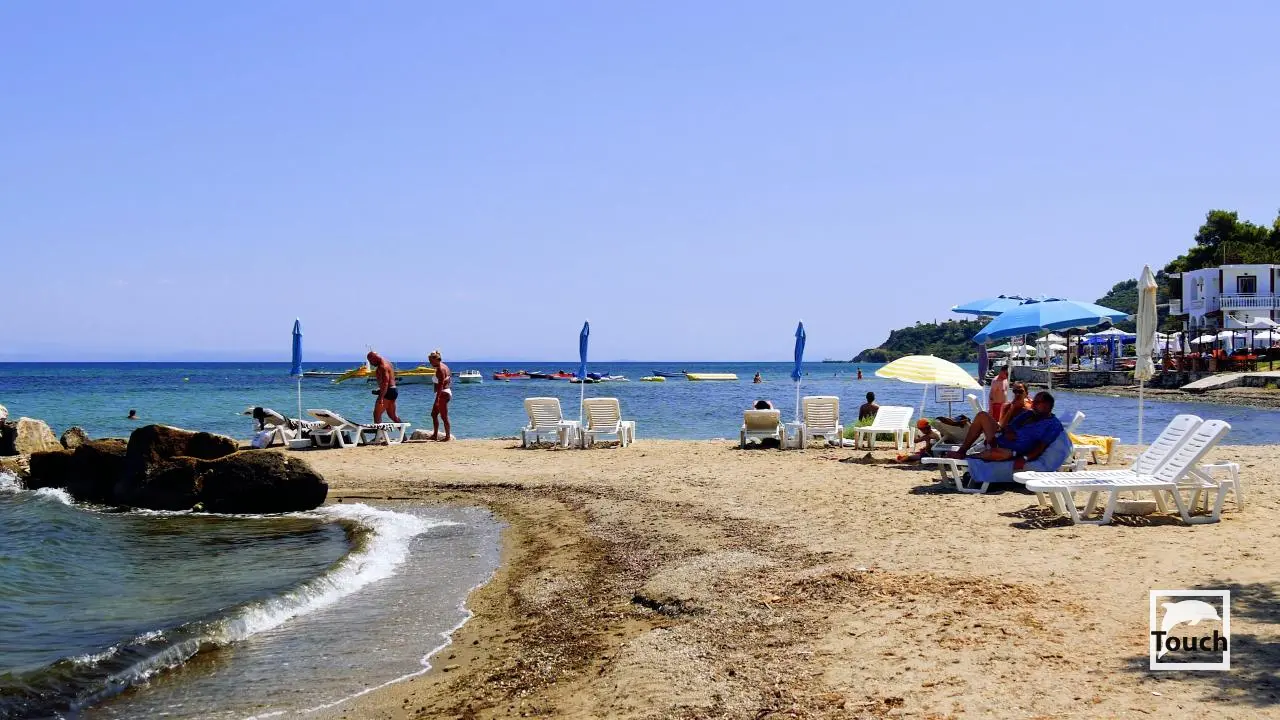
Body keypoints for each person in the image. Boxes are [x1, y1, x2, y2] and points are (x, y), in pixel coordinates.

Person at [947, 391, 1064, 464]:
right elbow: (1010, 426)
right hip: (1001, 439)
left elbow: (1041, 446)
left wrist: (1024, 458)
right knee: (982, 415)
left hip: (1014, 451)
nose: (1033, 404)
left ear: (1047, 405)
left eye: (1037, 402)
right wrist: (1009, 431)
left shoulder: (1053, 424)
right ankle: (962, 451)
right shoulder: (1029, 414)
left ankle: (967, 457)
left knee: (1000, 453)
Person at [367, 351, 401, 425]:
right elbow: (390, 381)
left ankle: (379, 432)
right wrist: (380, 390)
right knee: (393, 416)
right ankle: (403, 432)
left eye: (370, 361)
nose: (371, 364)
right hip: (393, 390)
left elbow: (386, 383)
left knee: (377, 414)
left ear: (374, 358)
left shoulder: (383, 366)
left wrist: (381, 397)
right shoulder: (388, 362)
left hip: (387, 392)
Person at [429, 349, 452, 441]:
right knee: (434, 414)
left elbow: (441, 385)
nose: (430, 363)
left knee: (444, 416)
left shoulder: (440, 369)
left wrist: (437, 400)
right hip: (444, 392)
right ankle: (435, 435)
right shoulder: (444, 366)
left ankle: (447, 437)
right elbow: (449, 378)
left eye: (431, 361)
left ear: (436, 359)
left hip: (443, 394)